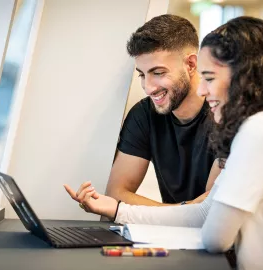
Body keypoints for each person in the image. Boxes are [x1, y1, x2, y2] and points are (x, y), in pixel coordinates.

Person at [65, 16, 263, 270]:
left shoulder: (260, 130)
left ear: (245, 75)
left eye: (210, 78)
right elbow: (205, 213)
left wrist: (125, 210)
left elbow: (215, 236)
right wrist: (119, 209)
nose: (202, 89)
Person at [65, 14, 220, 207]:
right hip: (168, 234)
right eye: (142, 74)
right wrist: (181, 212)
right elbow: (116, 194)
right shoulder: (144, 114)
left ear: (190, 64)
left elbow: (211, 211)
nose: (148, 87)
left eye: (158, 73)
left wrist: (182, 214)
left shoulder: (223, 116)